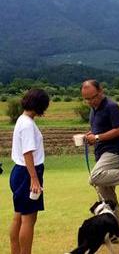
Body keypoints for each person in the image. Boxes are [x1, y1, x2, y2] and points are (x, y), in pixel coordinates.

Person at [81, 79, 119, 222]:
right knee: (107, 198)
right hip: (100, 152)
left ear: (101, 91)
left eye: (93, 97)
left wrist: (96, 137)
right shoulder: (93, 110)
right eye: (87, 99)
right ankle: (115, 232)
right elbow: (99, 130)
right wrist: (90, 135)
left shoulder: (112, 106)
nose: (91, 101)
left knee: (95, 177)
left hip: (114, 151)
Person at [9, 89, 49, 254]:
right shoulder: (27, 125)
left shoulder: (22, 119)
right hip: (27, 173)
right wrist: (34, 179)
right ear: (40, 105)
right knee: (28, 219)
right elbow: (28, 153)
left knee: (19, 216)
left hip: (19, 172)